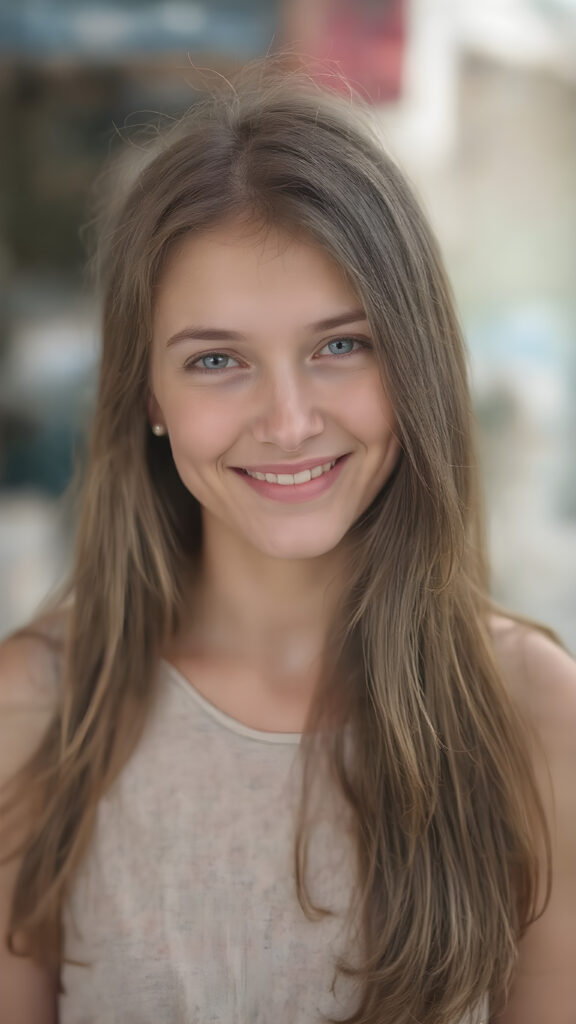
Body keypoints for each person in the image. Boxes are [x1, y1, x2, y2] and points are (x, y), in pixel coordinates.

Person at [1, 60, 575, 1024]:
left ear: (416, 358)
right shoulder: (37, 710)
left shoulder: (535, 714)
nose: (289, 419)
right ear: (148, 392)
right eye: (217, 360)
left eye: (340, 345)